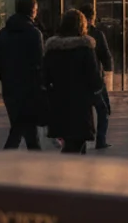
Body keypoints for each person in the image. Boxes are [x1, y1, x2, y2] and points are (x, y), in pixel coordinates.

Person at [44, 10, 104, 155]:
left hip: (59, 100)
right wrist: (96, 91)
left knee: (71, 140)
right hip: (80, 102)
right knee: (76, 142)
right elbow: (94, 77)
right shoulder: (85, 48)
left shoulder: (53, 49)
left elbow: (45, 76)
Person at [0, 0, 45, 150]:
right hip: (29, 90)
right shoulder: (34, 34)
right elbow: (40, 63)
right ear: (32, 11)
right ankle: (8, 157)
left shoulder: (3, 34)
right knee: (21, 130)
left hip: (10, 89)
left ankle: (32, 156)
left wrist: (8, 77)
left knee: (23, 129)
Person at [78, 4, 113, 150]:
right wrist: (108, 70)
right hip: (95, 78)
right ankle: (101, 139)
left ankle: (83, 140)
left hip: (78, 80)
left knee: (84, 110)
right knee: (103, 109)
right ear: (92, 18)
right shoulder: (97, 34)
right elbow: (105, 55)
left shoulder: (73, 34)